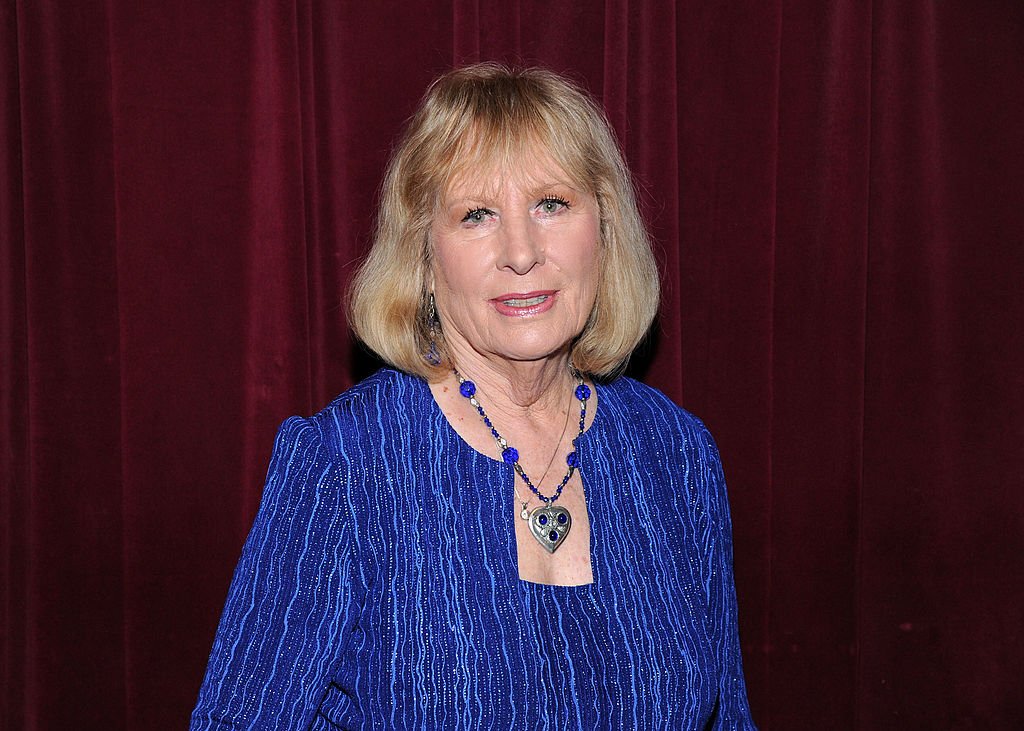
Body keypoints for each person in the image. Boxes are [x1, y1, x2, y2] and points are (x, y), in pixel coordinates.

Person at [191, 63, 755, 729]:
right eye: (477, 214)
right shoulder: (345, 463)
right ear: (425, 257)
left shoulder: (677, 454)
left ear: (603, 229)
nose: (521, 251)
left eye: (552, 204)